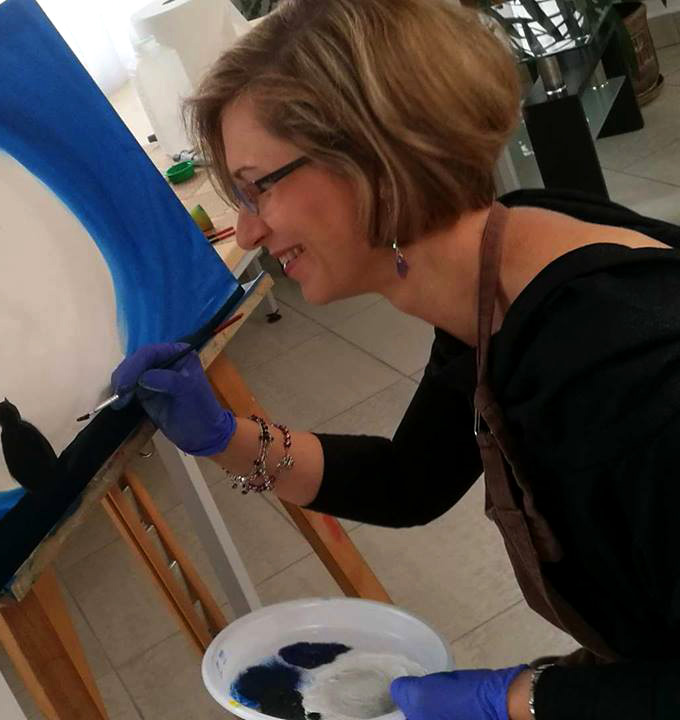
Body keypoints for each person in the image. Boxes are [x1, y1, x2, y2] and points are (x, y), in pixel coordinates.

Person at [111, 0, 680, 718]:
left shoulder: (625, 377)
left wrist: (518, 698)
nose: (247, 233)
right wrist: (225, 437)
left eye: (258, 187)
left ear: (370, 157)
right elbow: (411, 479)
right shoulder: (494, 270)